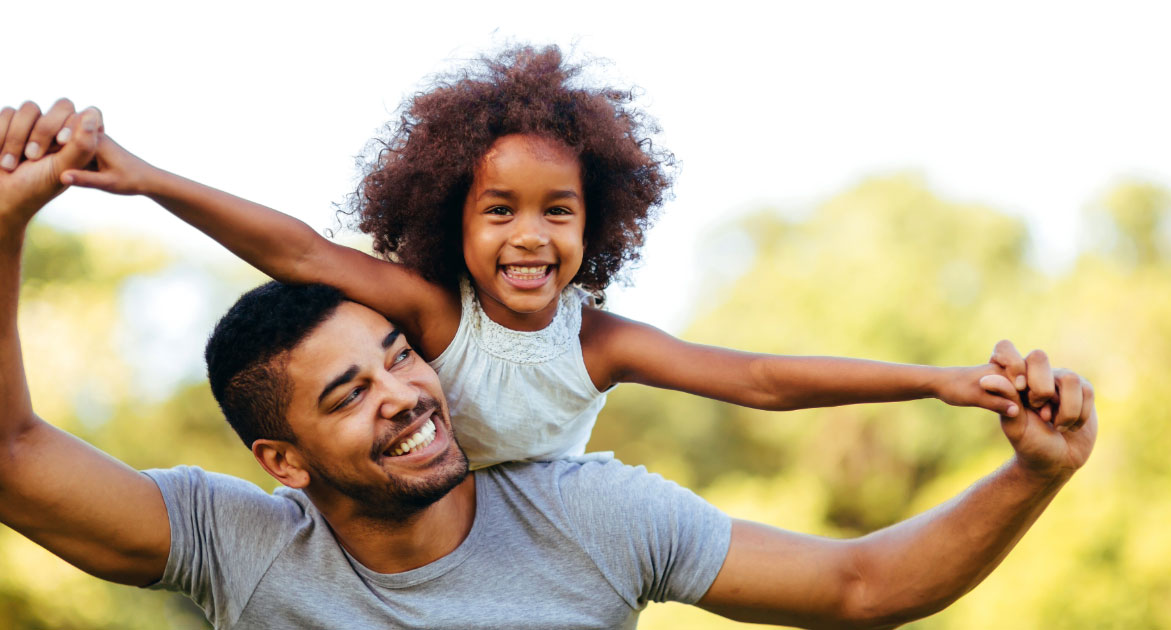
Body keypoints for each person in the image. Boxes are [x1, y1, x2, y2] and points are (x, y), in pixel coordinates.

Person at [1, 101, 1097, 629]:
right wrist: (34, 214)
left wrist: (1027, 467)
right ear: (283, 459)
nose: (406, 393)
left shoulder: (594, 513)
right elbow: (12, 455)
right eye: (350, 393)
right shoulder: (235, 543)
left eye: (396, 359)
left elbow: (860, 583)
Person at [39, 45, 1040, 470]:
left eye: (557, 211)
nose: (529, 237)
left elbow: (760, 379)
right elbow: (298, 247)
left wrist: (941, 383)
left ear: (594, 224)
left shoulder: (596, 341)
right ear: (449, 222)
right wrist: (147, 178)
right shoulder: (433, 318)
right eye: (499, 211)